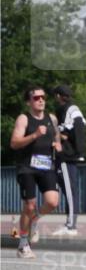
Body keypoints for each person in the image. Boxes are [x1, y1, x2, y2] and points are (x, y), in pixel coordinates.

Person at [9, 87, 62, 258]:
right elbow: (14, 143)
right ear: (28, 102)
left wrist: (57, 143)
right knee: (29, 205)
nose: (41, 100)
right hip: (27, 167)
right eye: (36, 97)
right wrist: (34, 135)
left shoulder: (51, 118)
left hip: (46, 165)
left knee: (53, 202)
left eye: (43, 97)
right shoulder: (24, 119)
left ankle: (33, 220)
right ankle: (23, 244)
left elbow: (56, 134)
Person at [51, 85, 86, 237]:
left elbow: (69, 129)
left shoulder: (68, 110)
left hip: (66, 155)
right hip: (70, 154)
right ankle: (70, 223)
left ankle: (71, 225)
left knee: (70, 191)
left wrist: (65, 143)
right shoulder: (73, 109)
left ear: (59, 96)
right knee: (69, 190)